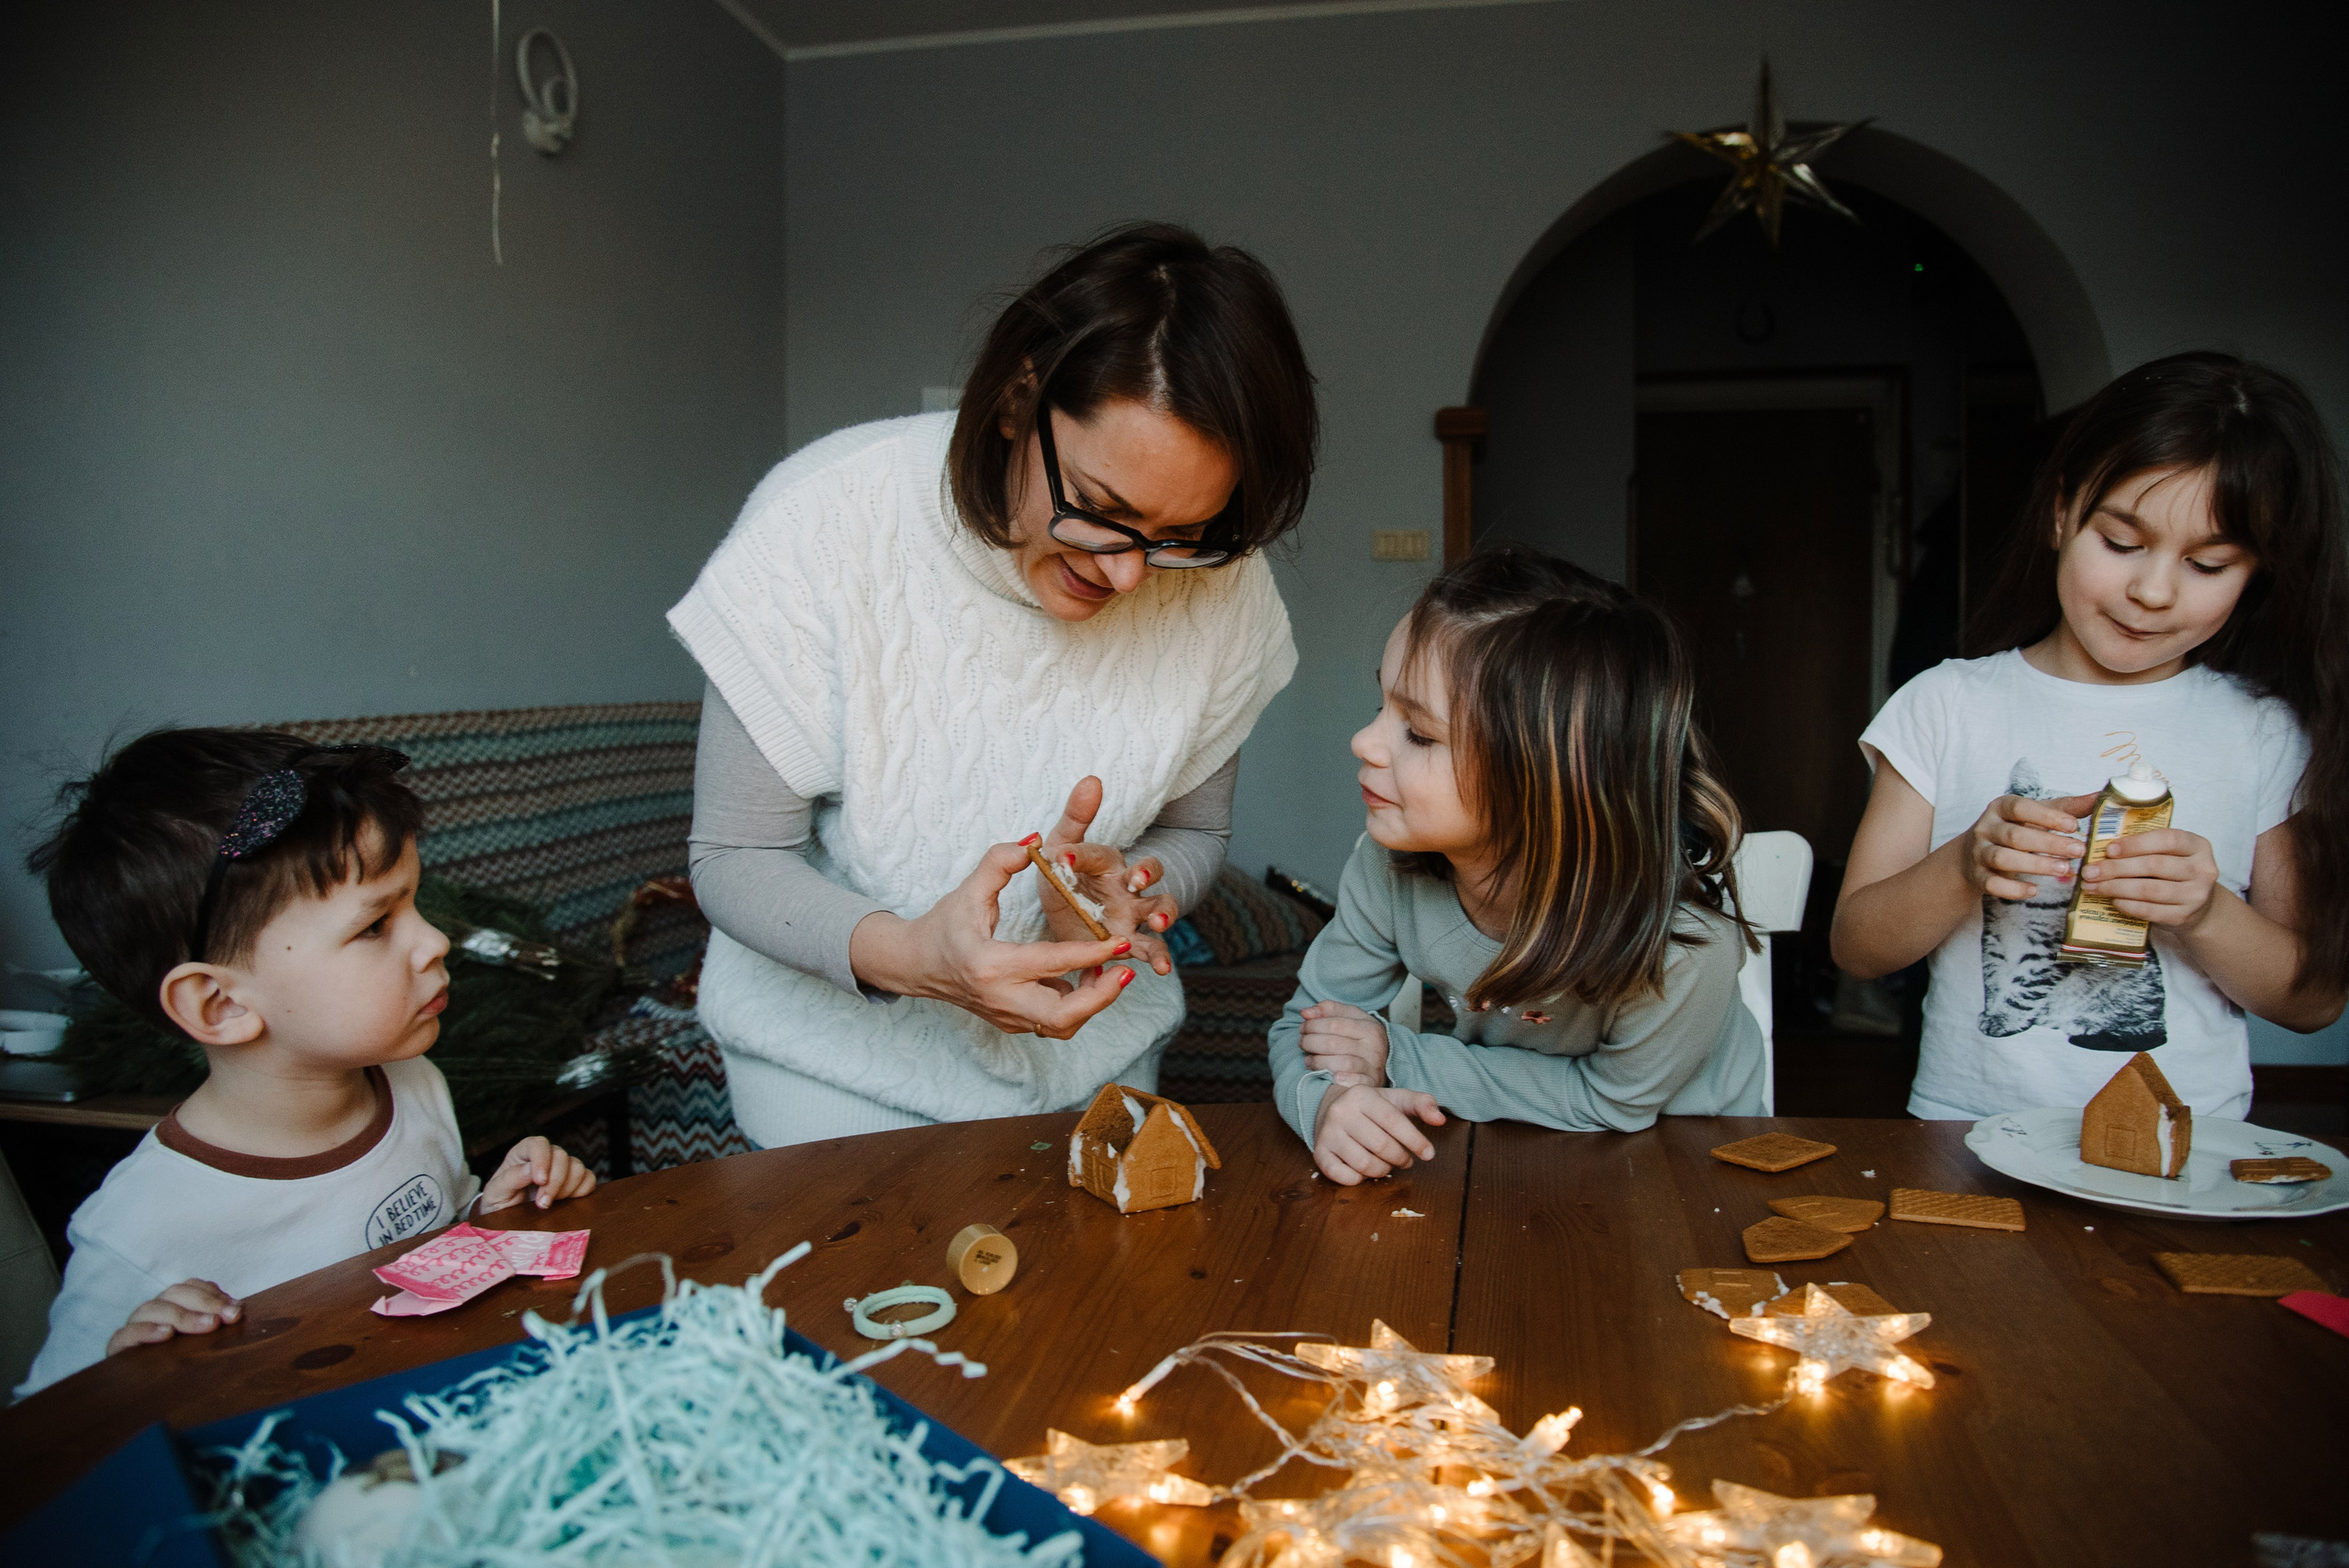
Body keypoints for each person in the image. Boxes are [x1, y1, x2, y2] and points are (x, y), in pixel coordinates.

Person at [670, 223, 1317, 1148]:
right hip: (834, 1078)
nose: (1129, 574)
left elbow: (1196, 832)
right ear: (1018, 400)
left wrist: (1134, 890)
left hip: (1098, 1058)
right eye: (1102, 509)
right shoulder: (822, 522)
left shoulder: (1224, 581)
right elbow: (734, 855)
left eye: (1179, 537)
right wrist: (911, 956)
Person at [1832, 352, 2349, 1120]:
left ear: (2255, 574)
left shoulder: (2262, 734)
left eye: (2208, 563)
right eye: (2121, 543)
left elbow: (2314, 1001)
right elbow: (1856, 946)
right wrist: (1964, 863)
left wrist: (2205, 911)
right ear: (2060, 514)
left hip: (2181, 1146)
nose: (2153, 591)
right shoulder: (1946, 704)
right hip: (1967, 1134)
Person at [16, 731, 596, 1396]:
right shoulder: (139, 1232)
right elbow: (45, 1437)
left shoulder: (414, 1084)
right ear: (221, 1004)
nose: (436, 940)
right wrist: (127, 1378)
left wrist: (491, 1213)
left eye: (414, 902)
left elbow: (433, 1240)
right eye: (374, 924)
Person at [1267, 549, 1766, 1184]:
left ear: (1548, 783)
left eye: (1419, 732)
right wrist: (1324, 1105)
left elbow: (1613, 1101)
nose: (1363, 741)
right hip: (1507, 1141)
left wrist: (1396, 1055)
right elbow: (1309, 1022)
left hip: (1693, 1161)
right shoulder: (1386, 866)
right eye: (1381, 705)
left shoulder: (1683, 946)